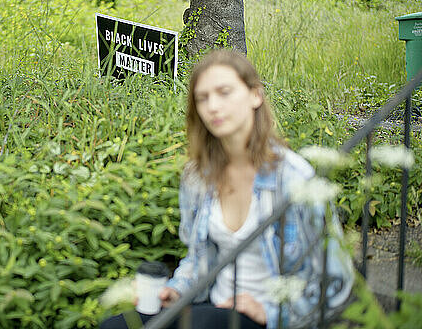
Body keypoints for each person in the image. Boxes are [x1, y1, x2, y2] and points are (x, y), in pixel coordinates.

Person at [100, 49, 353, 329]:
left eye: (224, 92)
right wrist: (177, 290)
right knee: (114, 326)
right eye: (202, 98)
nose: (213, 107)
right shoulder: (197, 176)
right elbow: (198, 260)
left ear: (255, 95)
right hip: (212, 308)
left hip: (268, 320)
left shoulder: (293, 178)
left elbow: (336, 281)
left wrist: (269, 312)